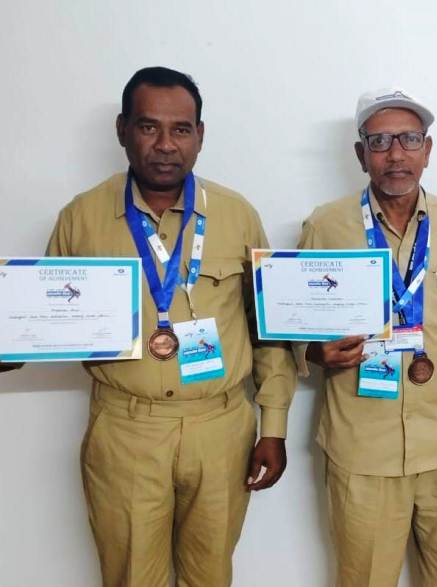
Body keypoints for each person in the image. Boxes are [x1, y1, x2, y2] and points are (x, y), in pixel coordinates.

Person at [43, 66, 296, 586]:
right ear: (122, 130)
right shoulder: (81, 218)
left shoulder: (237, 215)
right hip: (126, 431)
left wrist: (273, 426)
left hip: (221, 429)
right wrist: (14, 346)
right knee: (132, 577)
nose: (164, 145)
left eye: (181, 129)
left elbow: (268, 332)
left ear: (199, 135)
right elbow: (50, 316)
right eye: (148, 127)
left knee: (211, 577)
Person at [296, 88, 437, 586]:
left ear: (427, 150)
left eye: (409, 140)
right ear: (360, 153)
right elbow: (294, 326)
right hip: (363, 449)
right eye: (380, 141)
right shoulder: (325, 227)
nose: (395, 154)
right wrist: (314, 353)